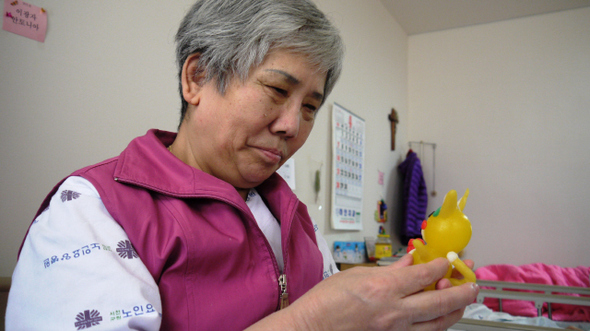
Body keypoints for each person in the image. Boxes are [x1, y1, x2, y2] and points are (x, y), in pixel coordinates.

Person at [6, 0, 479, 330]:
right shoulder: (93, 210)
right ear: (197, 78)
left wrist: (397, 299)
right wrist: (311, 323)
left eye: (311, 107)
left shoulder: (290, 213)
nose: (293, 125)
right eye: (276, 91)